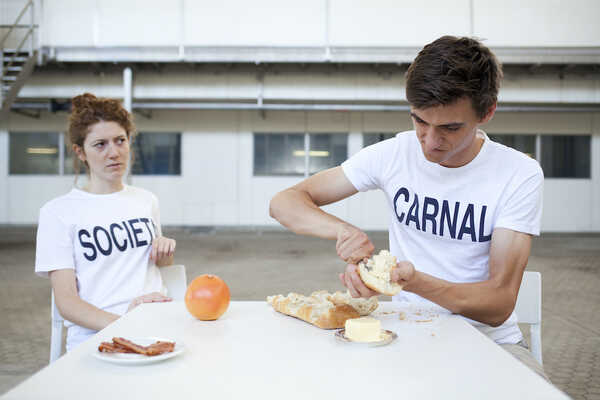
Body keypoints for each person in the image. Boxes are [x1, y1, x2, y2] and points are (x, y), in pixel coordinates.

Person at [269, 36, 547, 378]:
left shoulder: (518, 174)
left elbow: (498, 304)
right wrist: (342, 230)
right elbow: (284, 202)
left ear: (487, 112)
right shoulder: (394, 154)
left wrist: (411, 282)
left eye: (450, 128)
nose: (430, 142)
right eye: (419, 121)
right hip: (409, 334)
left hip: (492, 343)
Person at [35, 93, 176, 352]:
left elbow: (158, 267)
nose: (114, 153)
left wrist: (164, 252)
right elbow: (67, 303)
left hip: (155, 330)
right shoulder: (58, 213)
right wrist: (125, 325)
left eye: (120, 140)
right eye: (100, 144)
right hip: (98, 339)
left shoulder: (146, 200)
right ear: (80, 152)